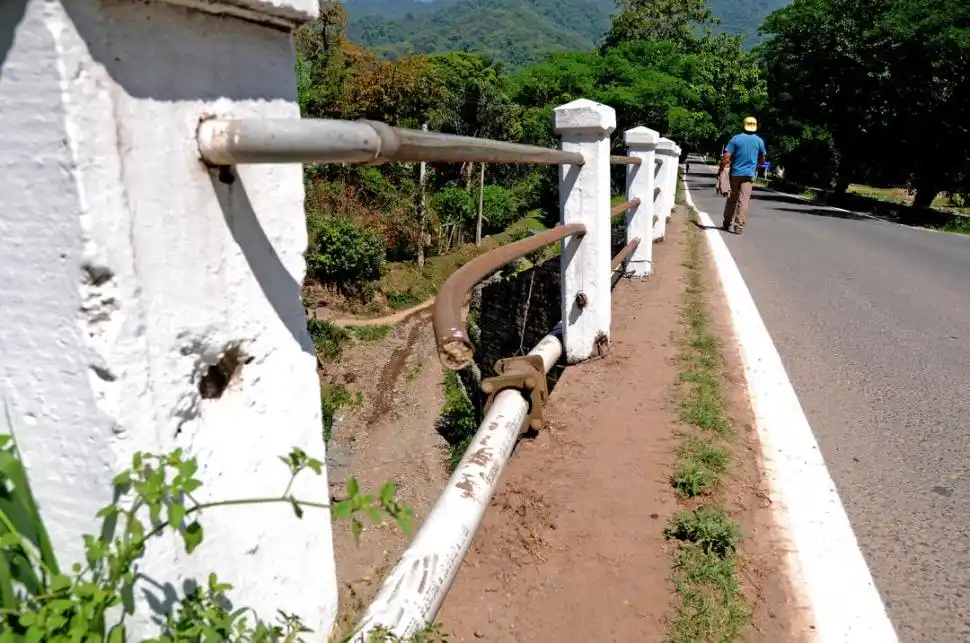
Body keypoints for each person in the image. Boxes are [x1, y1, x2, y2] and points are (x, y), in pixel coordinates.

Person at [719, 116, 766, 234]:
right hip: (749, 175)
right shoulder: (759, 141)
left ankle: (727, 222)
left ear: (744, 125)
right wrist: (757, 166)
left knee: (732, 198)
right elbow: (762, 158)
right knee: (744, 200)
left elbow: (726, 156)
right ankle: (739, 226)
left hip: (735, 173)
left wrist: (721, 169)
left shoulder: (736, 138)